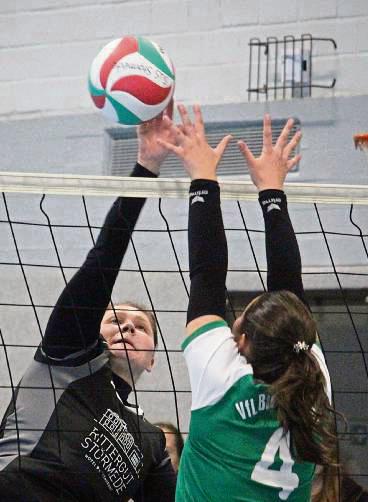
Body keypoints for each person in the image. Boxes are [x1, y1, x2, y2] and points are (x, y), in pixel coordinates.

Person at [159, 104, 337, 501]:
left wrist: (264, 189)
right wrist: (207, 177)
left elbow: (217, 277)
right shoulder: (310, 383)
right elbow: (210, 279)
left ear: (241, 344)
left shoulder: (310, 379)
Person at [0, 109, 177, 501]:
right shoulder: (69, 357)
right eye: (115, 320)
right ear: (92, 332)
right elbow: (103, 259)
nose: (128, 327)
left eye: (141, 326)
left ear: (153, 359)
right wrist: (146, 168)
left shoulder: (149, 441)